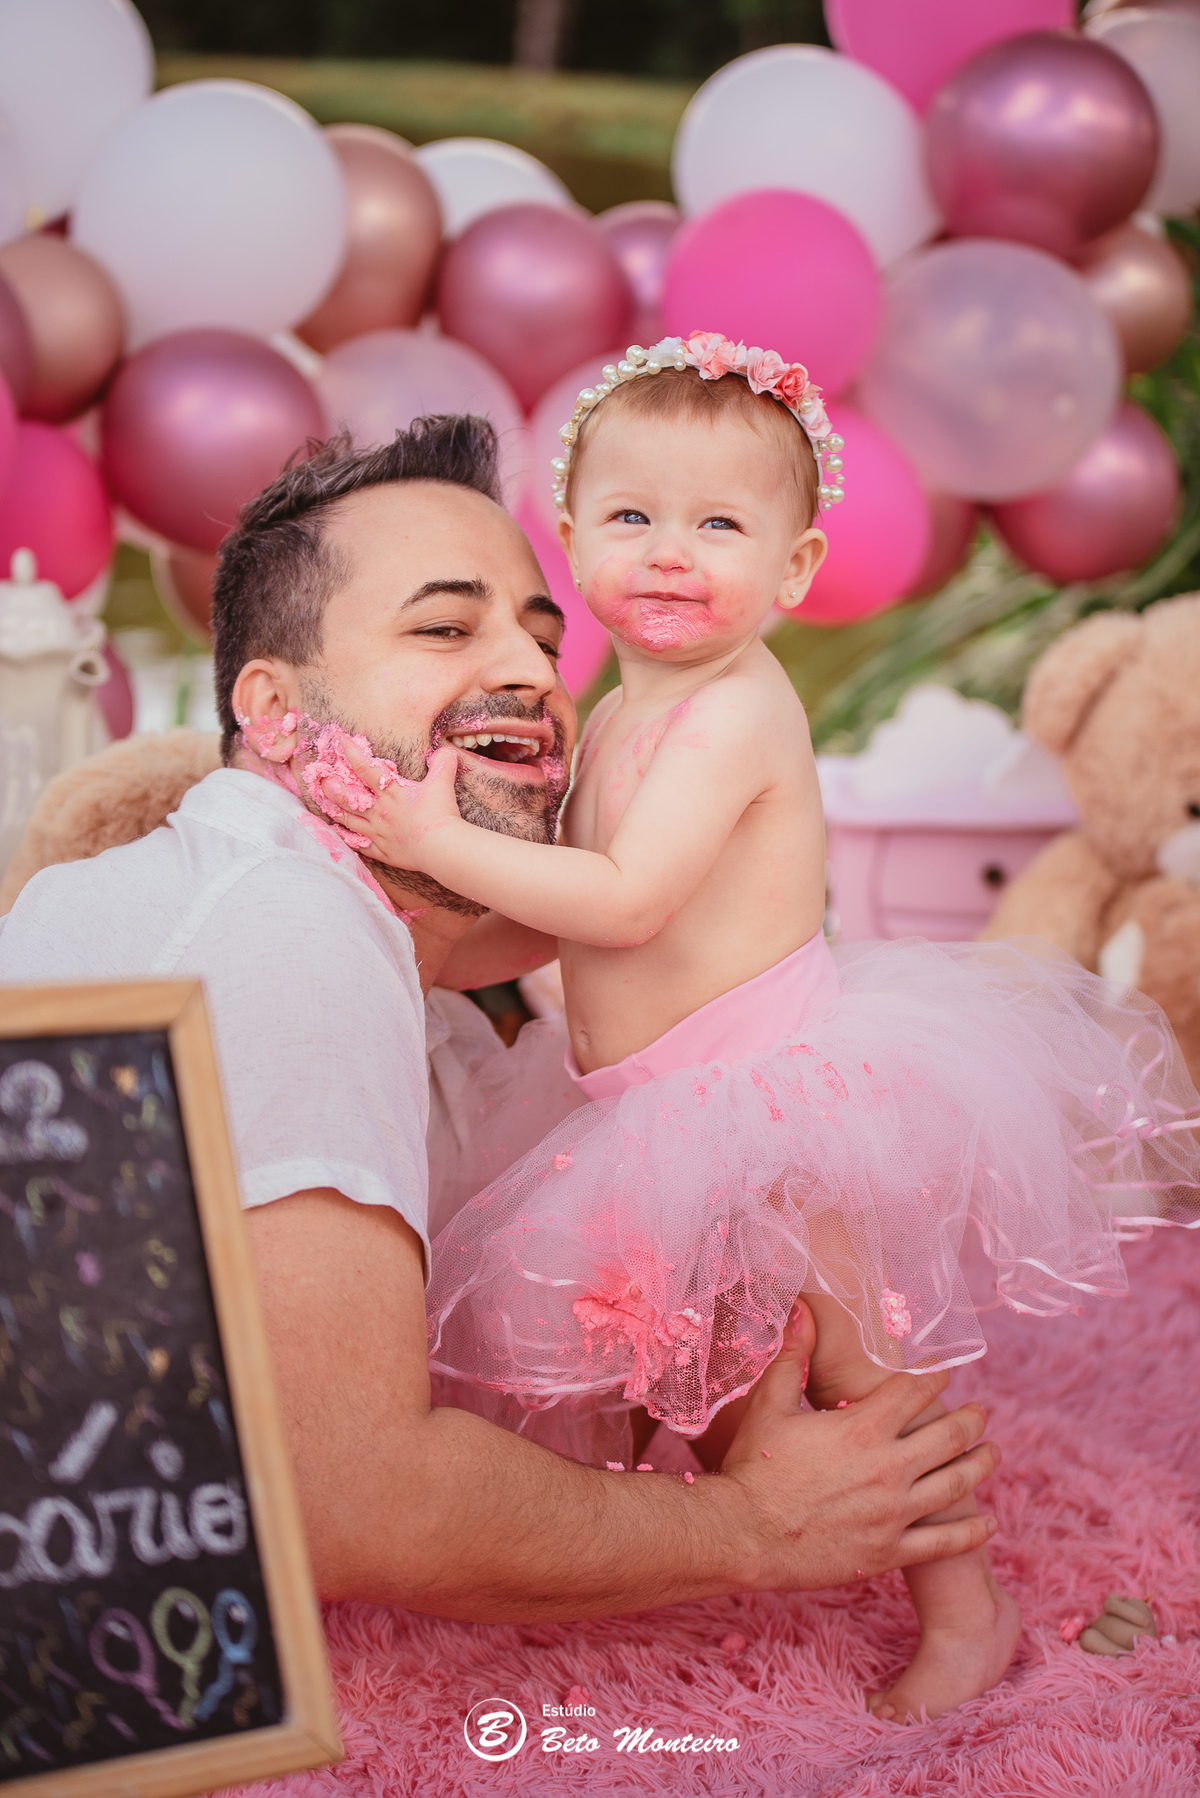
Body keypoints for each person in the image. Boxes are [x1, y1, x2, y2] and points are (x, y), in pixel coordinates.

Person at [317, 339, 1200, 1717]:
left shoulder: (733, 713)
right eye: (632, 517)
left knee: (855, 1364)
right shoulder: (619, 710)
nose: (670, 552)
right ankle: (716, 1532)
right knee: (704, 1347)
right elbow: (566, 921)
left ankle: (967, 1604)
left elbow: (625, 895)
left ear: (792, 572)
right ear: (573, 542)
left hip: (768, 1097)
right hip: (643, 1101)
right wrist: (420, 917)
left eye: (719, 525)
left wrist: (430, 830)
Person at [0, 415, 1004, 1627]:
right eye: (442, 625)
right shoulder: (283, 929)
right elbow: (352, 1496)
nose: (531, 674)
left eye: (543, 635)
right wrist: (755, 1527)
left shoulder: (321, 921)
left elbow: (608, 919)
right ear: (270, 709)